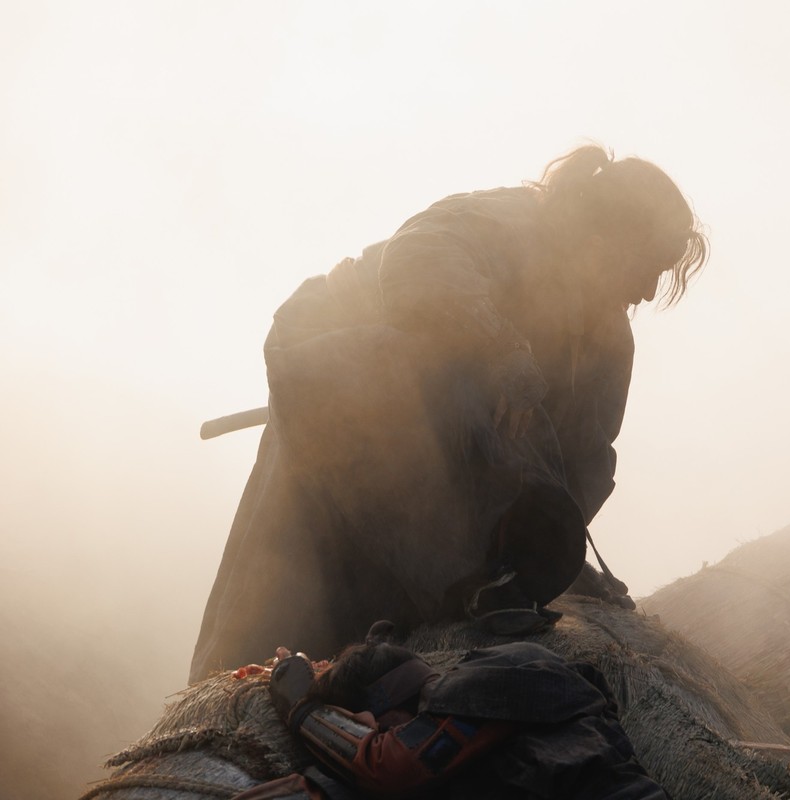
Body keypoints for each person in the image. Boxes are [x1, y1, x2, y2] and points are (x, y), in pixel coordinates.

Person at [190, 145, 708, 682]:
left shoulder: (606, 342)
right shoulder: (507, 222)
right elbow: (416, 264)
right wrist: (501, 348)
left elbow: (585, 458)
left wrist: (552, 558)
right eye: (648, 265)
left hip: (438, 465)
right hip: (338, 389)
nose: (648, 291)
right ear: (610, 235)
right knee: (283, 593)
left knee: (389, 625)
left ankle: (472, 589)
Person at [232, 626, 669, 799]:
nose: (371, 732)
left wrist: (303, 710)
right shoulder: (483, 720)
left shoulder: (487, 682)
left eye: (368, 723)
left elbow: (388, 766)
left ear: (386, 705)